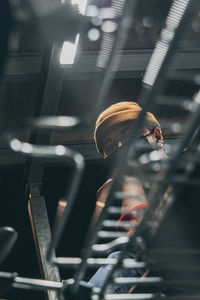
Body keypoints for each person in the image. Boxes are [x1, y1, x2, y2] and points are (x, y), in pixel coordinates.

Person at [88, 101, 167, 293]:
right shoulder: (113, 200)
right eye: (111, 146)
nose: (122, 147)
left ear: (157, 135)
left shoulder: (188, 172)